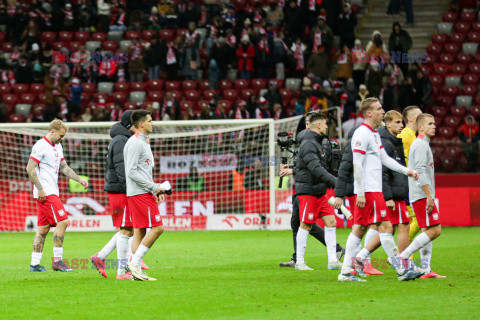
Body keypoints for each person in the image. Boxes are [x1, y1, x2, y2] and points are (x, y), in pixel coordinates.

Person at [337, 98, 420, 282]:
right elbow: (356, 164)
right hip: (367, 191)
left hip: (373, 190)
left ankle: (345, 271)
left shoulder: (374, 134)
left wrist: (407, 171)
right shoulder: (361, 134)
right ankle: (401, 270)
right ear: (368, 113)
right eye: (379, 109)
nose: (382, 112)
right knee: (385, 226)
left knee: (359, 229)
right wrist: (359, 192)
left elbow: (385, 159)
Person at [279, 112, 344, 268]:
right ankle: (300, 262)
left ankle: (333, 260)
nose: (328, 127)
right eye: (326, 124)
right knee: (306, 224)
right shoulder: (309, 143)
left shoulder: (318, 141)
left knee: (331, 221)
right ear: (319, 125)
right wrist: (337, 183)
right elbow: (316, 169)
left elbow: (311, 165)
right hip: (308, 191)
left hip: (319, 191)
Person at [90, 111, 146, 280]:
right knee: (127, 228)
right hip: (122, 190)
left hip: (120, 189)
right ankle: (122, 270)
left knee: (128, 227)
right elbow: (123, 168)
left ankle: (102, 257)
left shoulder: (121, 138)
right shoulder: (122, 140)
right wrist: (132, 189)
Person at [27, 119, 89, 272]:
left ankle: (34, 264)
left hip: (51, 190)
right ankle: (57, 261)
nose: (63, 139)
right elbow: (30, 167)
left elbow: (64, 167)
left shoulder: (58, 146)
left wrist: (79, 178)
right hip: (46, 192)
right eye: (61, 135)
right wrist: (40, 188)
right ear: (52, 131)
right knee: (63, 222)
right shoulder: (40, 146)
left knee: (43, 228)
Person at [125, 110, 171, 281]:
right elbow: (130, 172)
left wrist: (155, 190)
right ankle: (134, 264)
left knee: (139, 231)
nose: (153, 123)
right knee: (158, 228)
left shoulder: (143, 142)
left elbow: (142, 171)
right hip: (139, 193)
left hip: (142, 191)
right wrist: (153, 187)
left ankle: (135, 272)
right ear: (141, 124)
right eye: (150, 121)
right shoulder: (136, 143)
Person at [399, 114, 446, 278]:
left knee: (427, 229)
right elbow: (419, 171)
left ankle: (426, 269)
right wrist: (428, 196)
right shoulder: (420, 145)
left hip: (421, 194)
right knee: (435, 230)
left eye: (434, 123)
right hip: (421, 195)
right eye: (430, 123)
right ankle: (402, 257)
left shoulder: (422, 144)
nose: (434, 126)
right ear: (420, 127)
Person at [397, 106, 422, 249]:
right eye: (419, 115)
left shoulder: (412, 135)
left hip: (410, 183)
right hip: (405, 183)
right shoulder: (406, 134)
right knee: (415, 221)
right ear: (411, 118)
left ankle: (406, 257)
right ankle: (405, 254)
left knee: (412, 221)